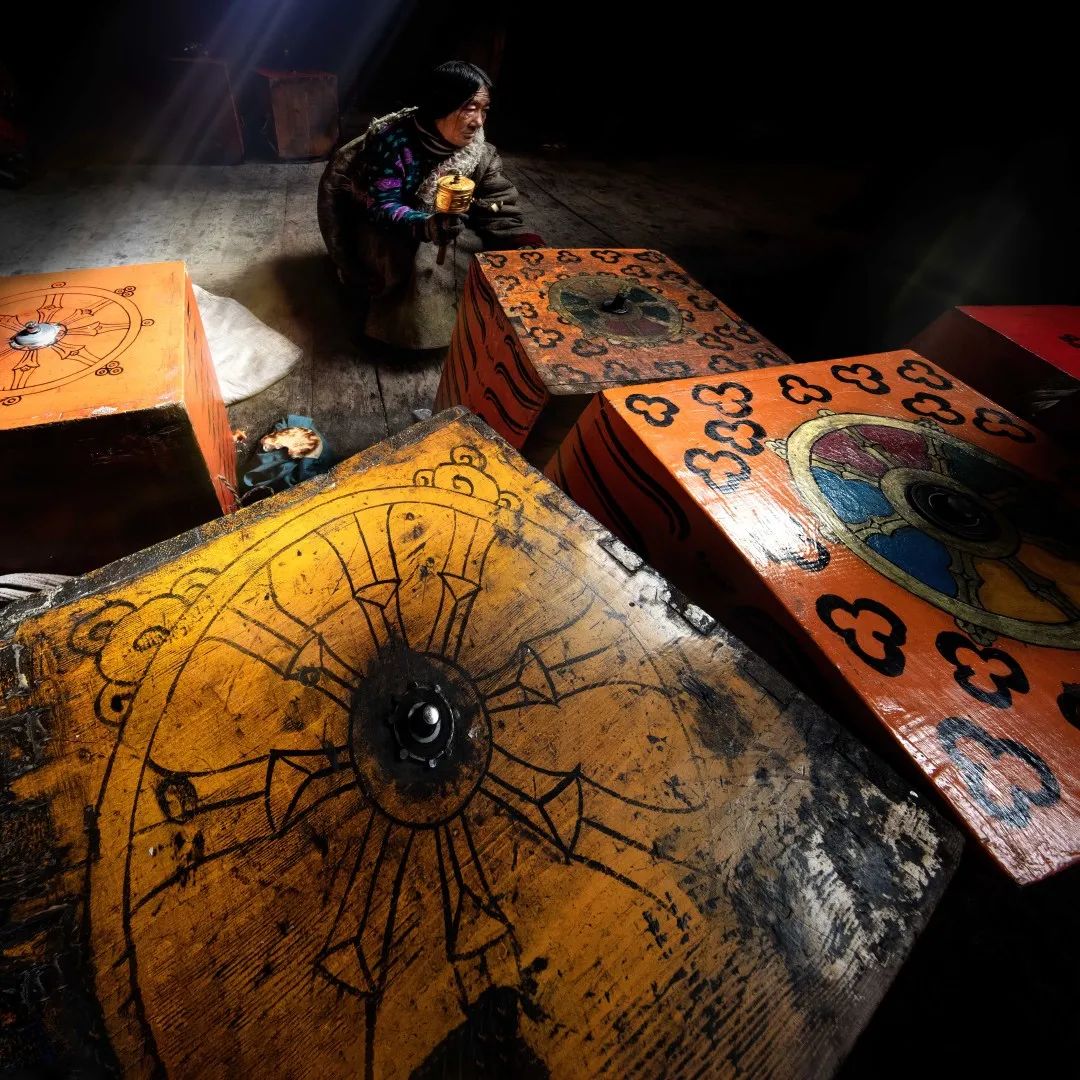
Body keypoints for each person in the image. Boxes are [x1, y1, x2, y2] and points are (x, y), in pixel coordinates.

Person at [318, 61, 542, 350]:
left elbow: (497, 203)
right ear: (441, 105)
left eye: (484, 110)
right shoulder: (395, 143)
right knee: (412, 261)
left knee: (479, 254)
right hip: (388, 229)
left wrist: (520, 242)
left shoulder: (479, 153)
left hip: (441, 227)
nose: (478, 121)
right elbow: (382, 204)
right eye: (469, 108)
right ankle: (404, 329)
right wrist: (425, 224)